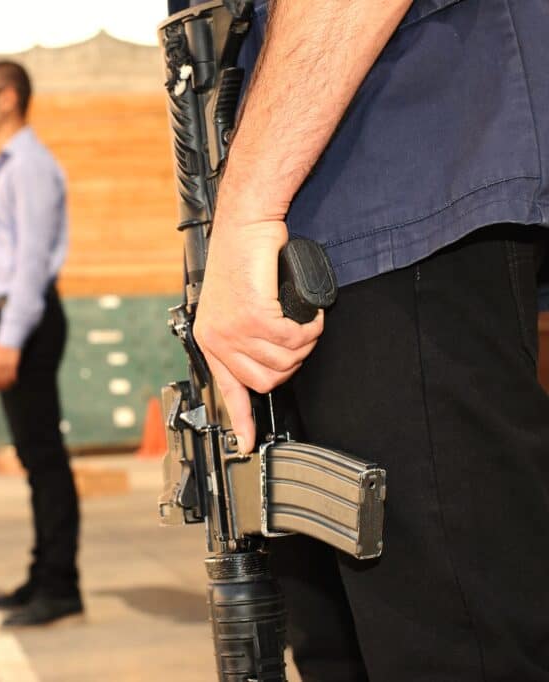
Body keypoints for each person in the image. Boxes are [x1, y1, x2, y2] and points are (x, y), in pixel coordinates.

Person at [175, 1, 549, 680]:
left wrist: (249, 209)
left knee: (452, 647)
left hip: (403, 185)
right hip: (334, 210)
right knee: (340, 644)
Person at [0, 60, 83, 628]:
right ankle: (43, 575)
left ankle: (60, 585)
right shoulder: (9, 166)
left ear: (9, 98)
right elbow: (3, 268)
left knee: (45, 461)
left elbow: (31, 265)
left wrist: (9, 340)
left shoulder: (31, 166)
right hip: (12, 320)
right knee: (35, 462)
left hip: (30, 321)